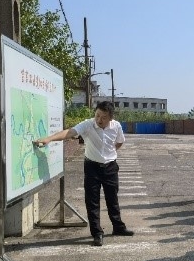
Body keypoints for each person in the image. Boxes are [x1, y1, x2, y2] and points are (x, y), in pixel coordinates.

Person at [33, 101, 134, 247]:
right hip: (92, 166)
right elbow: (70, 132)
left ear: (111, 118)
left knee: (112, 198)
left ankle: (118, 227)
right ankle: (97, 233)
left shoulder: (116, 126)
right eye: (97, 115)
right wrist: (49, 139)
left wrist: (110, 152)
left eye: (103, 117)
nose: (99, 120)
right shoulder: (88, 124)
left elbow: (119, 142)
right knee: (92, 200)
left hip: (110, 167)